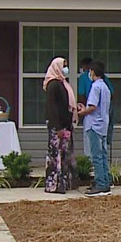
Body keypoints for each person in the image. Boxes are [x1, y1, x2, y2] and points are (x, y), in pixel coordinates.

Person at [43, 57, 77, 194]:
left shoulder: (63, 83)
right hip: (57, 126)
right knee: (55, 155)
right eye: (63, 66)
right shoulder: (52, 85)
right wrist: (57, 127)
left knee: (64, 155)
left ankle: (64, 182)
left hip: (65, 124)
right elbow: (52, 108)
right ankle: (54, 184)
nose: (66, 69)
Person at [80, 61, 113, 197]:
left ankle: (100, 184)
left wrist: (82, 112)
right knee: (103, 155)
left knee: (96, 156)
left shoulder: (95, 87)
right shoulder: (105, 87)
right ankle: (106, 181)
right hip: (103, 125)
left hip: (94, 125)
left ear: (93, 72)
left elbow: (92, 106)